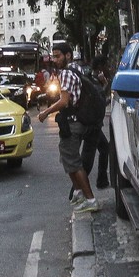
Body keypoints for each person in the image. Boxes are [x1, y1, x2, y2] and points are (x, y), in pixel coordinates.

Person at [38, 42, 99, 213]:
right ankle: (80, 193)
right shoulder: (76, 70)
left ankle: (90, 199)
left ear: (68, 55)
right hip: (76, 122)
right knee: (68, 160)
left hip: (72, 123)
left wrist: (46, 113)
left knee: (73, 162)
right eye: (54, 56)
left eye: (58, 56)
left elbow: (64, 101)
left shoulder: (66, 73)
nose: (55, 60)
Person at [80, 54, 110, 189]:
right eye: (106, 65)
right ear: (100, 67)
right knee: (86, 161)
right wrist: (106, 85)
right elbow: (99, 99)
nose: (108, 68)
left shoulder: (92, 78)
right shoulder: (93, 79)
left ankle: (102, 180)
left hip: (94, 124)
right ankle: (77, 191)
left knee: (104, 148)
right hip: (92, 125)